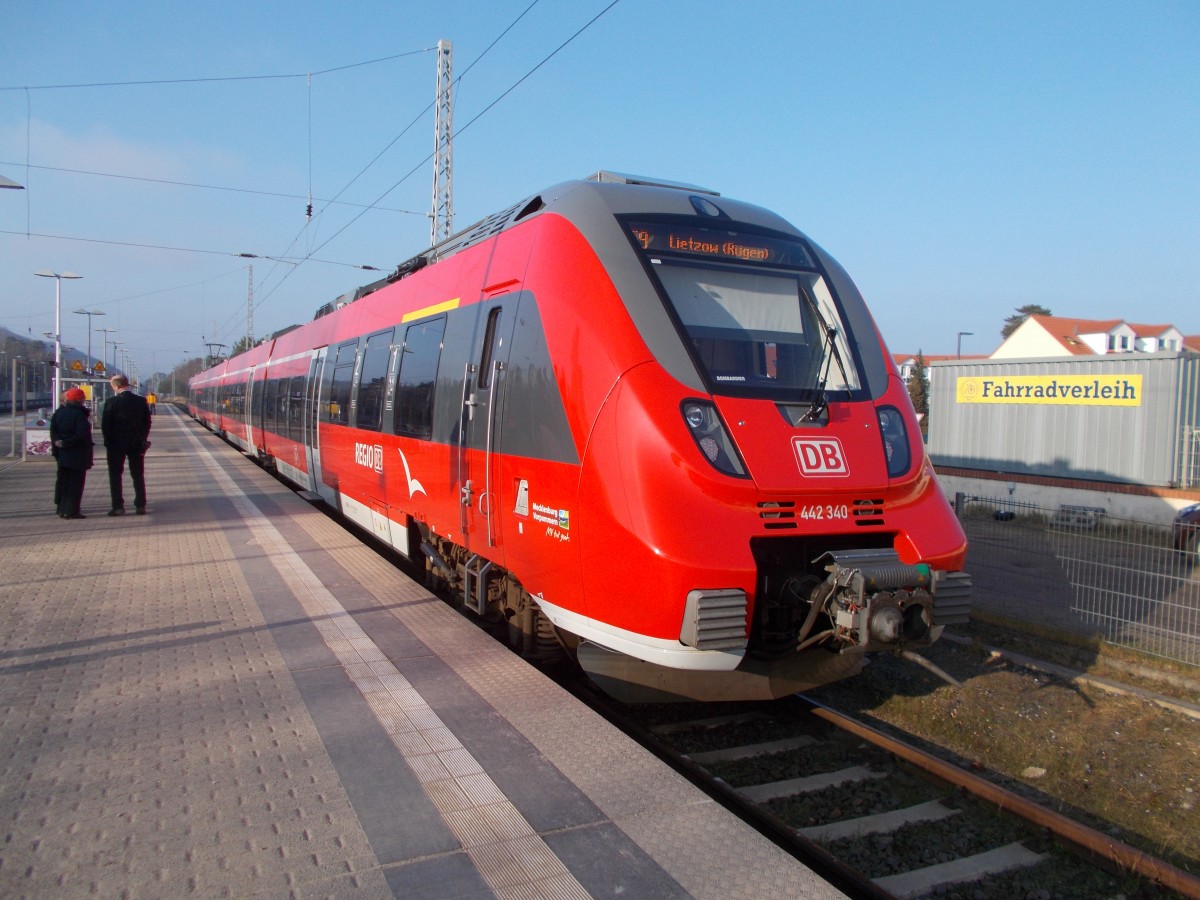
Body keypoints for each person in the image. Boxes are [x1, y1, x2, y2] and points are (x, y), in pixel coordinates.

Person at [101, 374, 152, 516]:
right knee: (137, 474)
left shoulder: (111, 402)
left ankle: (118, 507)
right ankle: (140, 505)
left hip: (115, 445)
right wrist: (143, 437)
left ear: (116, 386)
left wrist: (107, 440)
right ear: (127, 384)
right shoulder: (141, 401)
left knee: (115, 475)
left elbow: (106, 425)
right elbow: (147, 422)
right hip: (136, 443)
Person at [50, 387, 94, 519]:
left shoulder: (59, 413)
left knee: (64, 481)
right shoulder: (79, 415)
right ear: (81, 400)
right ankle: (71, 510)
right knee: (76, 483)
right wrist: (67, 442)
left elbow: (53, 431)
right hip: (77, 453)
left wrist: (59, 442)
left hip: (62, 453)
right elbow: (81, 434)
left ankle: (61, 508)